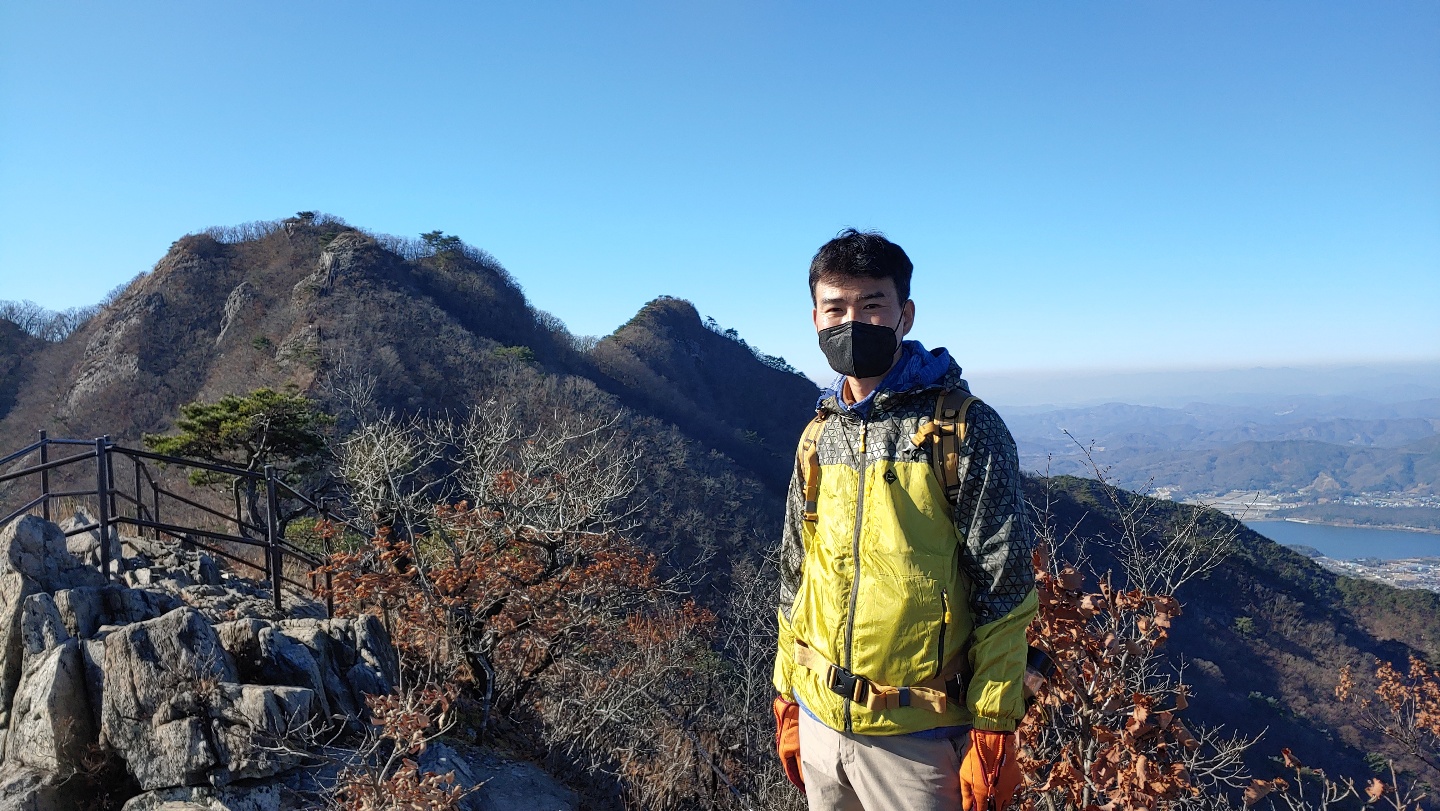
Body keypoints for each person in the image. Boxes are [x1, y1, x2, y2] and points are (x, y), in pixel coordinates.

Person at [773, 229, 1037, 811]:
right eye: (835, 309)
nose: (851, 323)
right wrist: (786, 691)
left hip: (920, 739)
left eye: (872, 305)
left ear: (905, 315)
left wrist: (994, 725)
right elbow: (796, 572)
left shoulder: (963, 429)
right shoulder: (819, 435)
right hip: (819, 720)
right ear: (815, 319)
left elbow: (1005, 587)